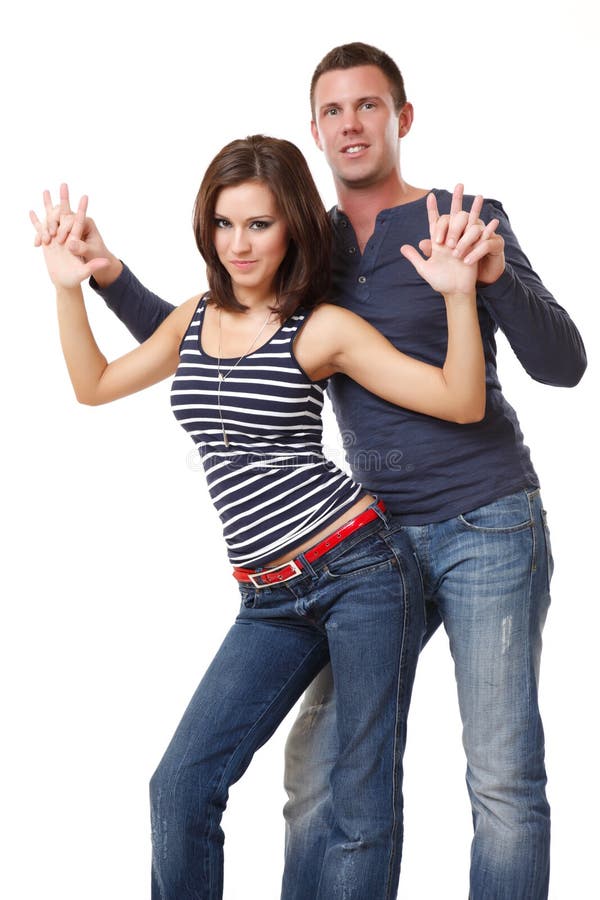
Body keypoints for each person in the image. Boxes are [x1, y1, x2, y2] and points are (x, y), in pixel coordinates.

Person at [37, 44, 587, 900]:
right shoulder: (310, 246)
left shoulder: (460, 218)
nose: (351, 124)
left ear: (402, 118)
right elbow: (214, 343)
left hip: (482, 521)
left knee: (500, 777)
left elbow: (558, 365)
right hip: (360, 536)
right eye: (332, 111)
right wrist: (98, 278)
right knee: (310, 774)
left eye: (368, 106)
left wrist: (486, 276)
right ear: (315, 131)